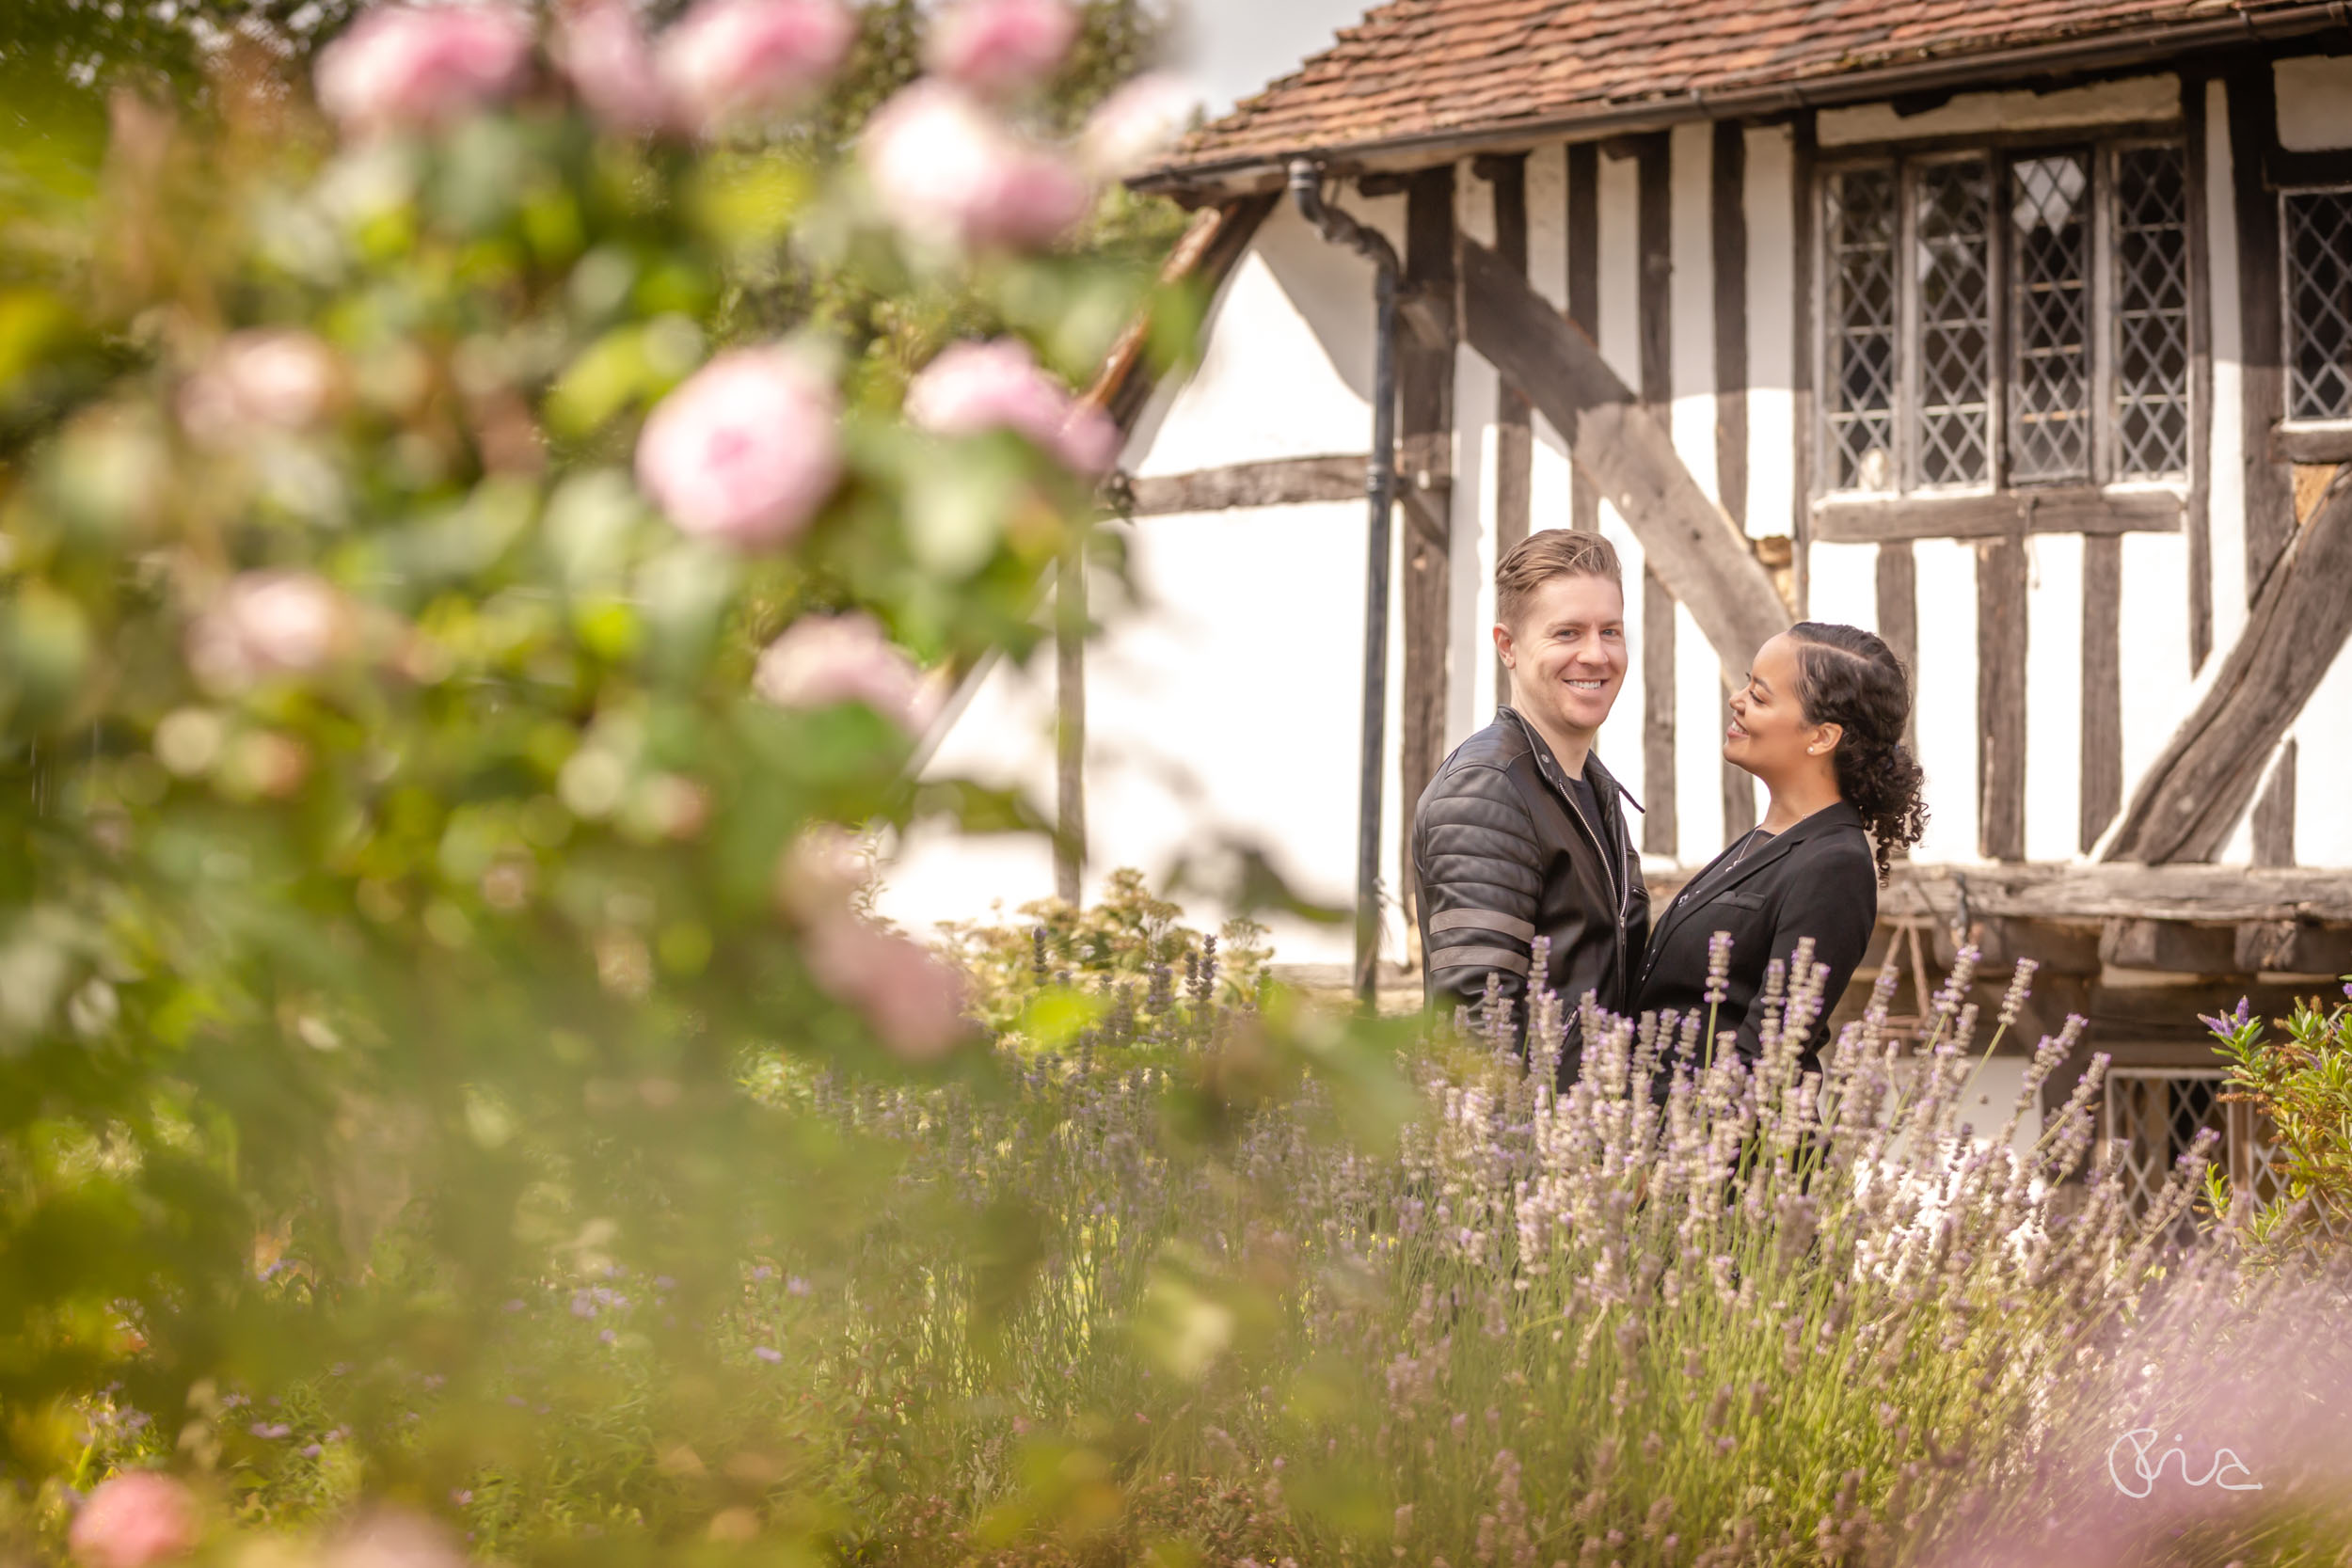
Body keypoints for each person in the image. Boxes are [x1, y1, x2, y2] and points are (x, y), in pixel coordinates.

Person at [1631, 622, 1928, 1083]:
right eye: (1747, 683)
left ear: (1822, 737)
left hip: (1718, 1147)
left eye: (1761, 696)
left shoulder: (1835, 866)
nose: (1737, 699)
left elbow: (1769, 1053)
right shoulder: (1766, 840)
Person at [1411, 530, 1648, 1078]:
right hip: (1526, 1147)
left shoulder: (1593, 787)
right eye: (1567, 632)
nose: (1596, 654)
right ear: (1507, 646)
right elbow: (1477, 1021)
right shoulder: (1486, 791)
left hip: (1597, 1141)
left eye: (1609, 631)